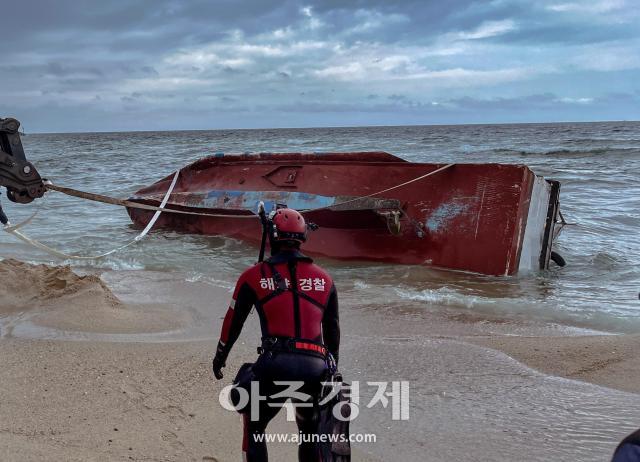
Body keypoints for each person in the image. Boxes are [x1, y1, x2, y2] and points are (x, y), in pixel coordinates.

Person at [212, 207, 340, 462]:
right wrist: (332, 368)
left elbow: (232, 322)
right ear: (303, 237)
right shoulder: (325, 279)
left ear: (270, 236)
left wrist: (220, 356)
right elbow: (333, 328)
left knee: (256, 428)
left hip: (275, 364)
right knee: (310, 433)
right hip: (315, 367)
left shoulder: (253, 276)